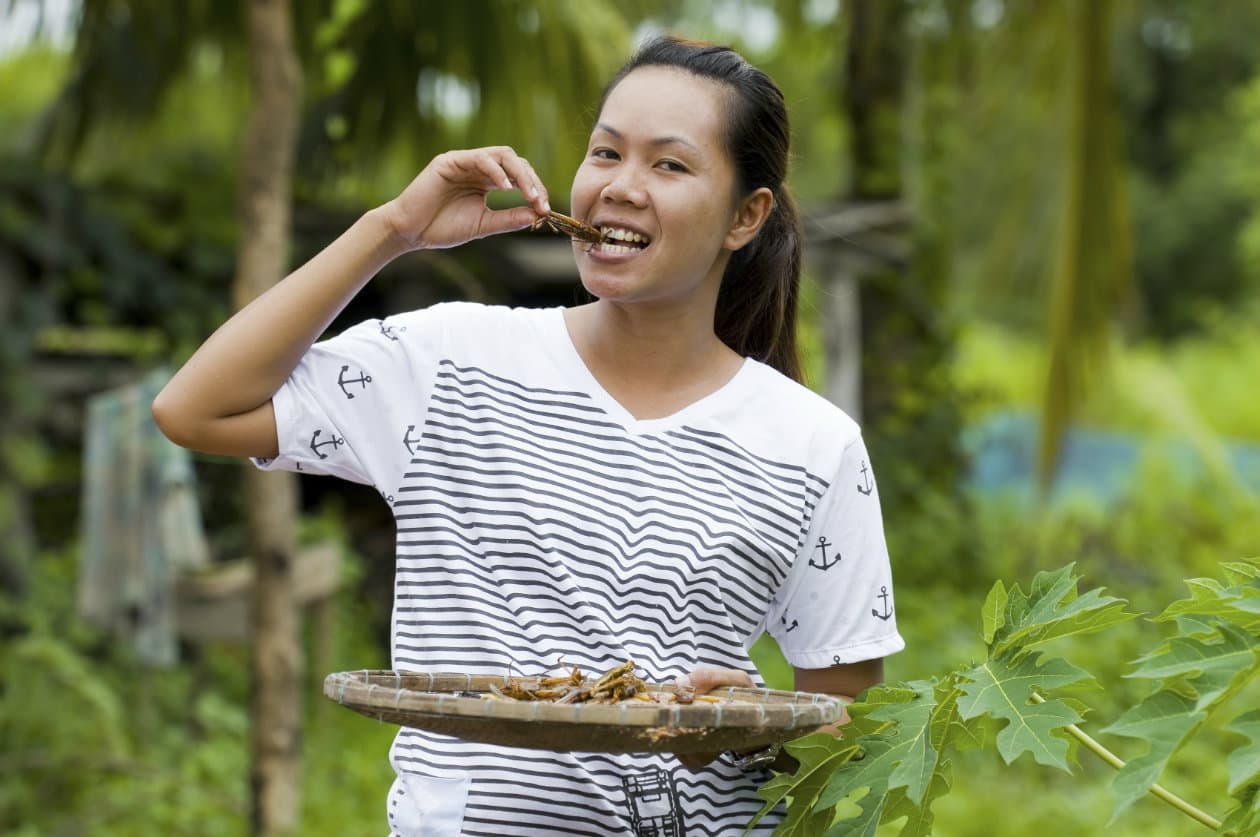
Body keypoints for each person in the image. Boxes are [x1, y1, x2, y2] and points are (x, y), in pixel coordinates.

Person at [153, 34, 904, 837]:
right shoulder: (451, 362)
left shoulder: (813, 445)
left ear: (746, 216)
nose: (620, 186)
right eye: (605, 152)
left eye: (669, 164)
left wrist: (750, 729)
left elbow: (849, 727)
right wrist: (393, 228)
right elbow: (196, 408)